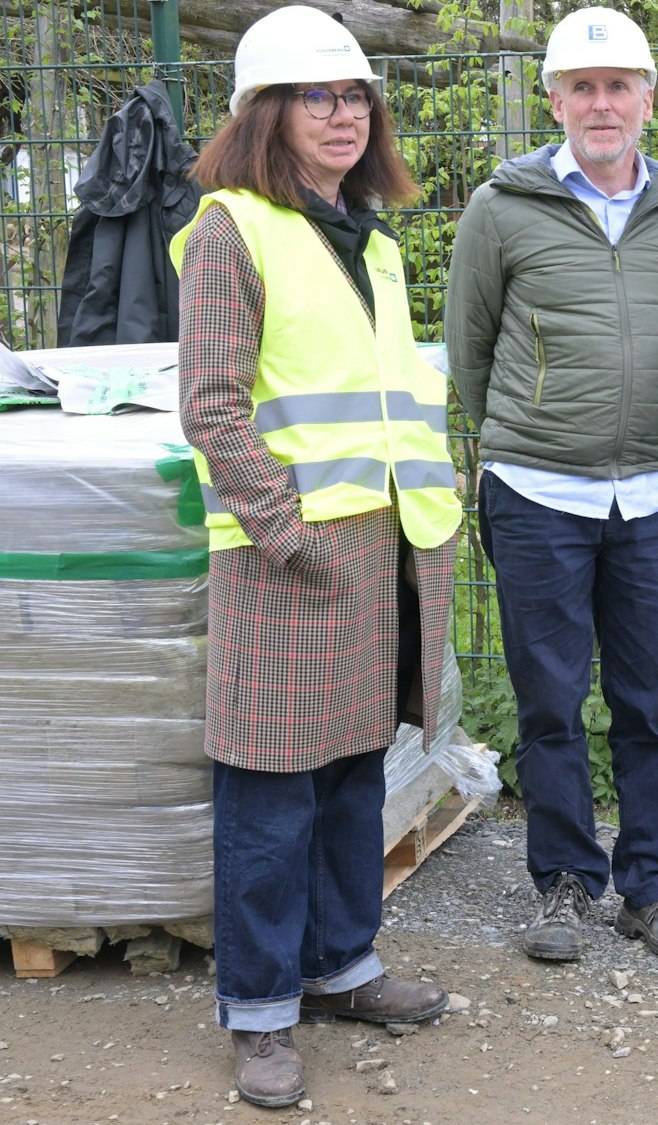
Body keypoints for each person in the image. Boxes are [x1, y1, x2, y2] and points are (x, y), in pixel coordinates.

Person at [174, 5, 460, 1108]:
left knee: (351, 776)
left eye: (353, 97)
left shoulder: (372, 238)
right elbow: (211, 407)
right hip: (283, 556)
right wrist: (287, 533)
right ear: (267, 113)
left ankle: (344, 965)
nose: (342, 116)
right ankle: (258, 1013)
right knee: (267, 790)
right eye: (315, 97)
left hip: (382, 545)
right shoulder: (230, 231)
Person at [444, 7, 658, 964]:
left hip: (649, 495)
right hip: (537, 495)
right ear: (554, 98)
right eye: (583, 88)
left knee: (650, 703)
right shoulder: (502, 205)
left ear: (649, 97)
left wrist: (640, 433)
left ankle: (655, 886)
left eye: (619, 86)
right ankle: (562, 881)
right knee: (548, 702)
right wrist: (531, 434)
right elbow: (471, 353)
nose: (602, 104)